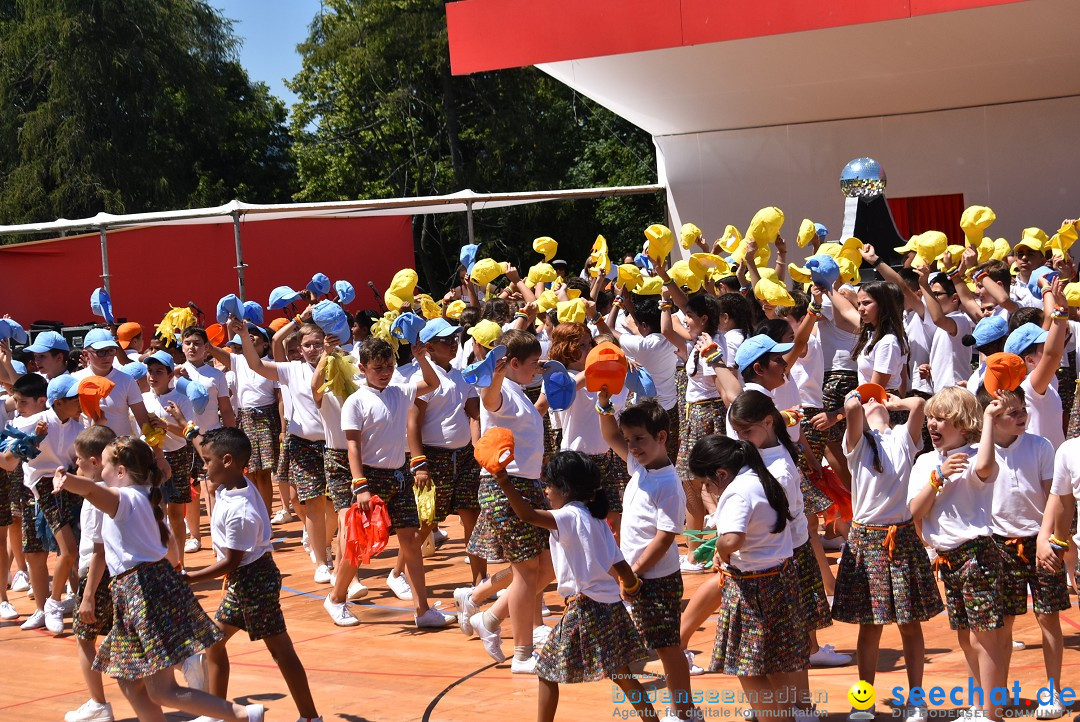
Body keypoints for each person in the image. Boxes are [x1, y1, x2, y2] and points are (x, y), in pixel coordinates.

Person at [53, 436, 264, 722]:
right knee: (129, 678)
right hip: (139, 592)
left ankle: (243, 715)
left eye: (104, 464)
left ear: (120, 471)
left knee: (163, 690)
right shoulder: (144, 497)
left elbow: (90, 489)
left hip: (142, 591)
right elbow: (168, 552)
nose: (100, 470)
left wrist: (65, 480)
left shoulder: (125, 499)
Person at [486, 445, 657, 722]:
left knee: (546, 670)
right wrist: (632, 586)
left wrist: (504, 482)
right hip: (610, 608)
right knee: (623, 675)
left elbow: (527, 516)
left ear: (564, 488)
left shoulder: (568, 516)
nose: (546, 491)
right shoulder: (597, 520)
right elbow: (621, 564)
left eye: (549, 485)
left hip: (585, 609)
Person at [185, 428, 321, 722]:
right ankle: (217, 713)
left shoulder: (241, 510)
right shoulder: (232, 481)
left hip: (253, 581)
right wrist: (187, 427)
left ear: (228, 461)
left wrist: (189, 578)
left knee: (281, 651)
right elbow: (207, 447)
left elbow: (231, 563)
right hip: (245, 581)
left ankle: (310, 717)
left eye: (207, 462)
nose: (203, 466)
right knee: (213, 643)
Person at [327, 336, 455, 628]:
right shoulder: (355, 401)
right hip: (370, 479)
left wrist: (422, 357)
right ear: (362, 368)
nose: (384, 372)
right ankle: (335, 598)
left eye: (388, 365)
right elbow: (353, 446)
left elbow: (433, 383)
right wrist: (360, 484)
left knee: (410, 540)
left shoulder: (401, 392)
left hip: (400, 476)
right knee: (359, 544)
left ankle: (422, 610)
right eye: (377, 367)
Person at [836, 387, 943, 722]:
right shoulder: (857, 444)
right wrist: (860, 397)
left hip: (901, 537)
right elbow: (852, 408)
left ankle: (916, 699)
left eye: (877, 401)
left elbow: (921, 405)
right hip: (867, 540)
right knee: (870, 627)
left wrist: (891, 401)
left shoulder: (901, 439)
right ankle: (864, 700)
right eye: (869, 402)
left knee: (910, 624)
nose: (872, 404)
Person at [686, 434, 809, 722]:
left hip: (753, 589)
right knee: (774, 664)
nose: (706, 489)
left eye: (706, 483)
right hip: (778, 580)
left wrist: (719, 547)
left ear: (721, 473)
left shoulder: (737, 491)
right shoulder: (760, 478)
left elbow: (733, 538)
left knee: (749, 669)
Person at [974, 368, 1069, 719]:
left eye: (1022, 410)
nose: (1021, 417)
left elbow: (1053, 499)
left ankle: (1053, 691)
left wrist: (1053, 542)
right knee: (1004, 625)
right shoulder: (980, 451)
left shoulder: (1040, 446)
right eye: (1011, 413)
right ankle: (999, 694)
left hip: (1041, 542)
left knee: (1048, 617)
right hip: (1000, 545)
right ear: (992, 419)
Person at [907, 387, 1004, 721]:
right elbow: (915, 512)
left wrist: (990, 419)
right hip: (948, 558)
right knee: (965, 636)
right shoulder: (925, 463)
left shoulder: (976, 454)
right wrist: (939, 477)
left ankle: (990, 713)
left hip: (976, 555)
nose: (933, 424)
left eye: (942, 419)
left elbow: (987, 467)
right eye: (931, 418)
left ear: (964, 425)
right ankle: (981, 706)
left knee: (983, 637)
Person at [597, 397, 695, 721]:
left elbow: (666, 537)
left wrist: (633, 574)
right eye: (630, 441)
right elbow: (610, 436)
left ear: (662, 436)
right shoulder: (639, 466)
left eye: (640, 439)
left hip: (655, 580)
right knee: (653, 645)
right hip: (636, 580)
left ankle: (684, 713)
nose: (633, 446)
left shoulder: (668, 483)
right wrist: (603, 406)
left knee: (668, 649)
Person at [468, 329, 555, 672]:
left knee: (547, 567)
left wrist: (559, 376)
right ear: (513, 363)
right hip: (505, 486)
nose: (538, 368)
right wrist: (498, 374)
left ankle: (489, 617)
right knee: (527, 570)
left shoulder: (518, 391)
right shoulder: (501, 389)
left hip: (527, 484)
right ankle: (522, 653)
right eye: (532, 363)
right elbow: (489, 399)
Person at [237, 310, 335, 583]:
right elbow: (256, 364)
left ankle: (325, 545)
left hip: (334, 446)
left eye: (317, 343)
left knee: (335, 509)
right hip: (303, 445)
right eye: (307, 345)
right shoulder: (292, 370)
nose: (313, 349)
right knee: (313, 504)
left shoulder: (339, 365)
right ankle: (322, 560)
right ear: (300, 350)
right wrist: (245, 334)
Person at [0, 373, 83, 634]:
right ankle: (41, 608)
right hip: (32, 489)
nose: (19, 408)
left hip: (62, 488)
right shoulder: (33, 422)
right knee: (35, 553)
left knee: (70, 550)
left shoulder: (79, 427)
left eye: (22, 402)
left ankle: (55, 602)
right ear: (57, 402)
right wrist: (27, 444)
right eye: (75, 399)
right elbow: (6, 461)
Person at [65, 425, 118, 722]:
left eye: (79, 460)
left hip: (97, 576)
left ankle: (98, 704)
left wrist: (86, 595)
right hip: (113, 574)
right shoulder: (118, 489)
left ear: (95, 462)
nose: (75, 464)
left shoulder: (96, 496)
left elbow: (99, 550)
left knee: (84, 638)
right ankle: (187, 662)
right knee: (126, 634)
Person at [206, 324, 280, 514]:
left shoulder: (272, 364)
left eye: (257, 335)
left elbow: (280, 399)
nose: (252, 337)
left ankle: (266, 515)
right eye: (250, 334)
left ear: (265, 345)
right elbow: (213, 350)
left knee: (263, 473)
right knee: (250, 471)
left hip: (266, 418)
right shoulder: (238, 361)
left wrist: (283, 428)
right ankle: (256, 513)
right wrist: (204, 340)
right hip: (245, 418)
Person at [179, 326, 236, 554]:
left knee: (213, 487)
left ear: (206, 348)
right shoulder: (174, 374)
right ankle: (194, 535)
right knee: (191, 490)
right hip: (183, 436)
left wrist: (233, 436)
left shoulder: (217, 376)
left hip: (212, 437)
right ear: (181, 346)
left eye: (197, 343)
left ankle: (217, 536)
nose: (192, 347)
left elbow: (226, 408)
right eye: (188, 343)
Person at [141, 350, 196, 570]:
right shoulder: (143, 398)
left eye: (159, 371)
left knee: (175, 510)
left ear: (170, 374)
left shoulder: (181, 399)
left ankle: (179, 561)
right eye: (150, 371)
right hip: (151, 458)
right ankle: (162, 559)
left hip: (178, 456)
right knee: (156, 509)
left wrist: (166, 425)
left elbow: (188, 429)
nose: (153, 376)